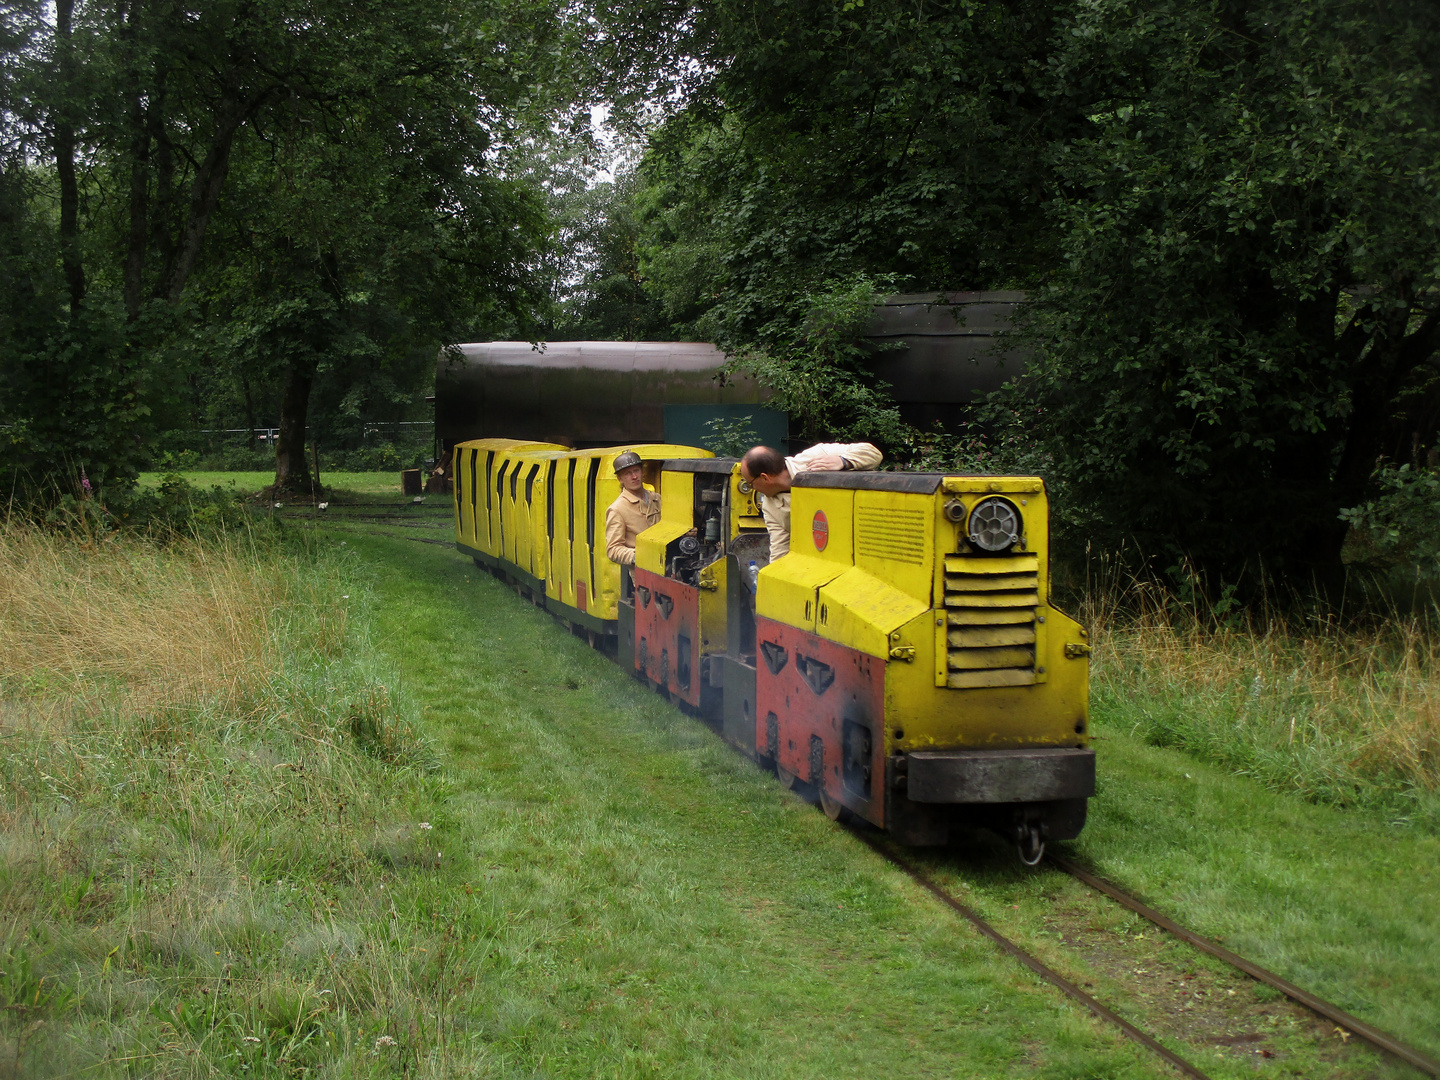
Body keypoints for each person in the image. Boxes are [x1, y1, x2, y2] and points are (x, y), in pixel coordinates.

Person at [739, 442, 882, 560]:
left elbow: (873, 453)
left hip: (868, 542)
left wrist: (842, 461)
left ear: (765, 478)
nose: (753, 489)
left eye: (751, 484)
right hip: (829, 556)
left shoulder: (817, 455)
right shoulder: (770, 506)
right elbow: (779, 552)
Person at [604, 450, 661, 565]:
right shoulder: (617, 509)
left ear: (642, 472)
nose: (634, 476)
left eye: (636, 471)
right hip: (642, 575)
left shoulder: (657, 499)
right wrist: (638, 556)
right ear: (620, 479)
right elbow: (613, 549)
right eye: (627, 473)